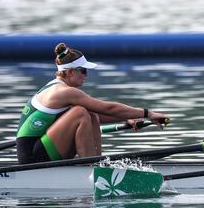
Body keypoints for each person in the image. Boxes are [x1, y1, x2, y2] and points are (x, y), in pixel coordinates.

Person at [16, 43, 169, 164]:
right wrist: (149, 113)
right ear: (70, 72)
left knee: (89, 113)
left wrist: (125, 118)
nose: (86, 75)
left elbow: (100, 114)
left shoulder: (57, 88)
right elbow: (108, 108)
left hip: (42, 147)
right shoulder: (64, 92)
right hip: (33, 157)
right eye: (83, 71)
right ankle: (91, 167)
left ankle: (95, 163)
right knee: (81, 113)